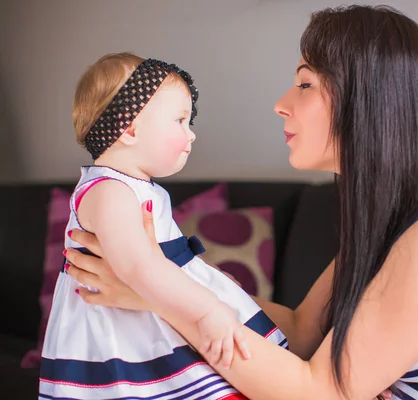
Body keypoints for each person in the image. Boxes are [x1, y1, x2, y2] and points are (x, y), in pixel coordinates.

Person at [64, 5, 418, 399]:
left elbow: (319, 392)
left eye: (305, 83)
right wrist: (171, 289)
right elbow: (305, 333)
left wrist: (160, 299)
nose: (281, 101)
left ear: (366, 99)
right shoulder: (403, 215)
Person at [40, 53, 288, 400]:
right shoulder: (108, 191)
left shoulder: (137, 187)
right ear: (129, 127)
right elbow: (140, 267)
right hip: (127, 339)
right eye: (180, 120)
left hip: (155, 320)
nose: (192, 135)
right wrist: (208, 308)